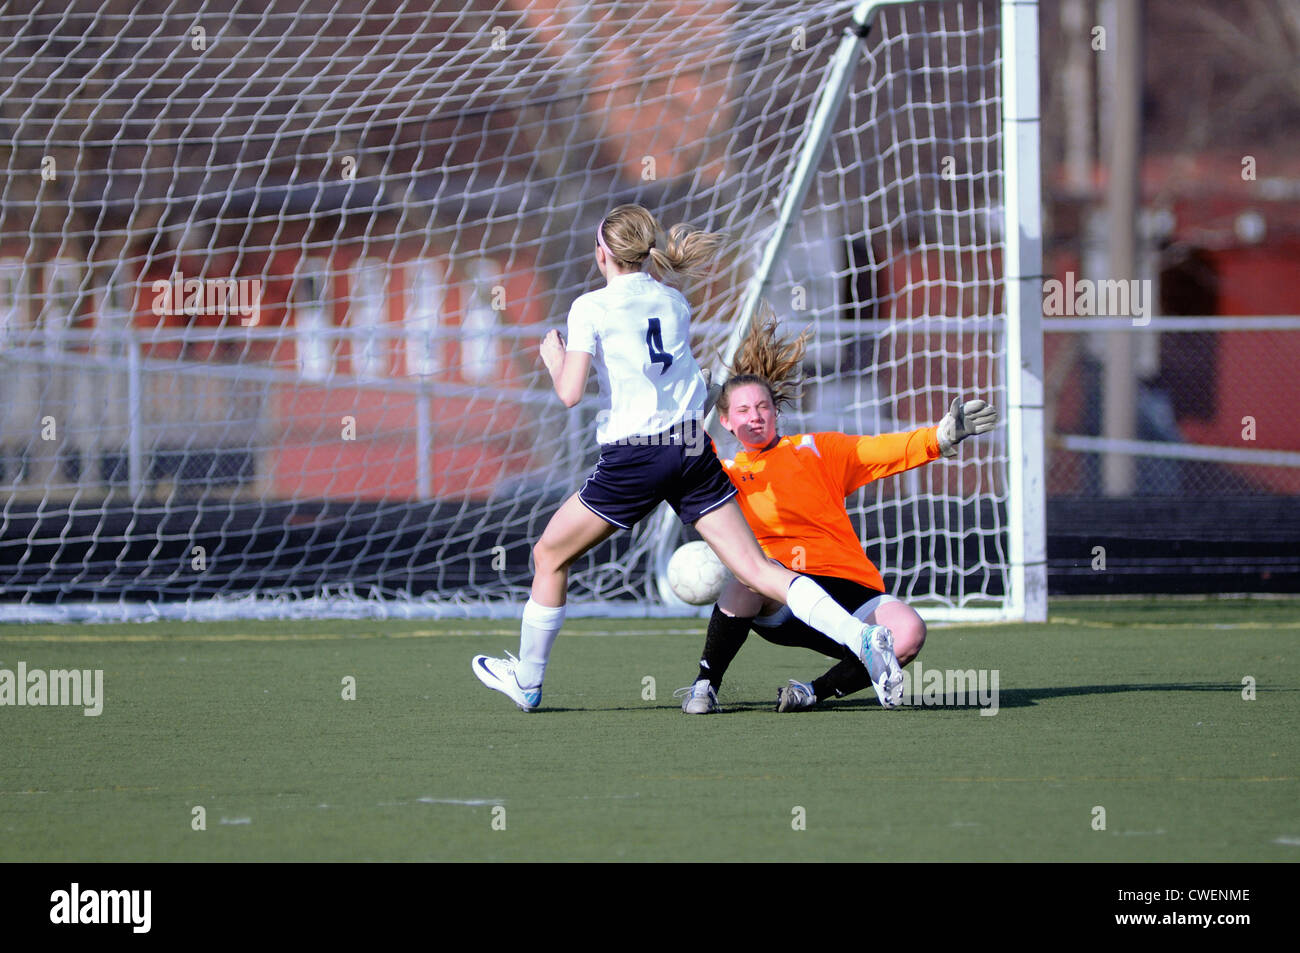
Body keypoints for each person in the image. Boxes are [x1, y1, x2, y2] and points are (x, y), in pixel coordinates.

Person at [471, 205, 903, 711]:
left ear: (602, 253)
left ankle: (527, 680)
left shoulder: (591, 306)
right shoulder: (674, 299)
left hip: (636, 455)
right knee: (758, 570)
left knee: (548, 556)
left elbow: (569, 393)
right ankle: (863, 638)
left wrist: (553, 359)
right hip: (691, 447)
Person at [676, 312, 997, 714]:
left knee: (910, 632)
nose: (754, 416)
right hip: (781, 597)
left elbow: (883, 450)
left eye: (762, 406)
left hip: (849, 591)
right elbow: (683, 459)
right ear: (723, 420)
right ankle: (705, 686)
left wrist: (940, 437)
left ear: (776, 411)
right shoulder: (726, 474)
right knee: (747, 577)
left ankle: (812, 692)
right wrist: (689, 411)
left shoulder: (817, 450)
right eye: (742, 411)